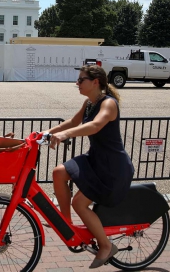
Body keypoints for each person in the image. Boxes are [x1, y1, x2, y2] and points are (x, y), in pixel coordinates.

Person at [45, 65, 134, 269]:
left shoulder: (109, 104)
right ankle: (65, 222)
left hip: (111, 168)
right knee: (59, 172)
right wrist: (47, 133)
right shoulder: (89, 103)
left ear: (95, 82)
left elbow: (95, 126)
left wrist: (65, 135)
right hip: (95, 159)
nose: (77, 83)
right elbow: (72, 122)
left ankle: (105, 246)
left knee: (80, 203)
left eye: (81, 80)